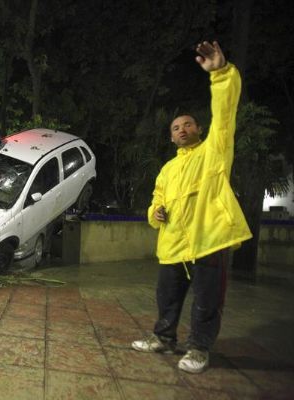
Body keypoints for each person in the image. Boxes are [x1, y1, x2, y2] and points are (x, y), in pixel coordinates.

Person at [131, 41, 252, 374]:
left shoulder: (214, 152)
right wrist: (153, 214)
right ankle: (164, 338)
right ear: (171, 138)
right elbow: (157, 199)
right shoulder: (167, 169)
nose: (181, 129)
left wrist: (220, 75)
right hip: (173, 245)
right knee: (166, 298)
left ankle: (199, 348)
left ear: (198, 129)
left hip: (208, 241)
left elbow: (225, 115)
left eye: (187, 124)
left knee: (206, 302)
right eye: (175, 128)